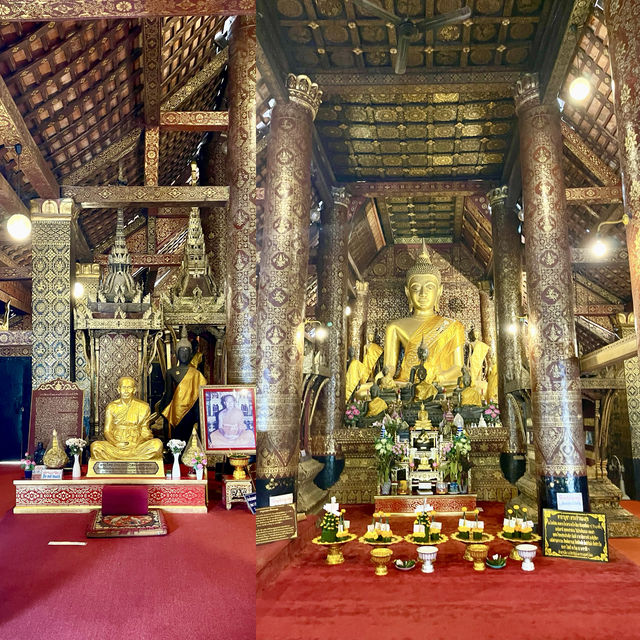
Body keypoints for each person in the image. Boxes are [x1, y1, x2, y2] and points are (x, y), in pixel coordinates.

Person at [383, 241, 465, 390]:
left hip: (441, 384)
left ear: (439, 291)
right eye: (416, 288)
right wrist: (385, 378)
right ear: (408, 292)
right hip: (406, 385)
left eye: (429, 287)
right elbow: (389, 367)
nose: (423, 293)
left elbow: (459, 367)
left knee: (472, 389)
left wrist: (439, 378)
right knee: (366, 391)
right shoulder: (395, 327)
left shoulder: (453, 326)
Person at [90, 376, 163, 461]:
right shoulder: (112, 407)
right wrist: (116, 443)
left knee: (157, 445)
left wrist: (136, 443)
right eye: (124, 387)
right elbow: (107, 431)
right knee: (95, 447)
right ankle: (132, 459)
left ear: (134, 390)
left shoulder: (144, 407)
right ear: (118, 389)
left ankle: (120, 459)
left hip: (136, 445)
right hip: (117, 446)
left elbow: (145, 431)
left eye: (129, 388)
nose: (126, 391)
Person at [161, 326, 207, 442]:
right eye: (182, 351)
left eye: (187, 351)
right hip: (176, 409)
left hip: (191, 410)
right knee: (176, 436)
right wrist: (164, 408)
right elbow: (168, 394)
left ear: (191, 353)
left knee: (190, 437)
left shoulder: (197, 374)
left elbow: (198, 397)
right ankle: (175, 455)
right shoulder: (171, 372)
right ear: (177, 353)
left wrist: (198, 415)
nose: (184, 355)